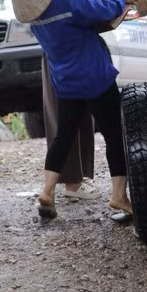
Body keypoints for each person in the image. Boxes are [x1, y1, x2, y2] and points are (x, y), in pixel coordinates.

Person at [9, 0, 139, 221]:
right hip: (96, 77)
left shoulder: (36, 19)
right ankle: (119, 196)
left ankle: (47, 191)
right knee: (115, 135)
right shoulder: (67, 1)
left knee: (63, 137)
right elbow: (102, 10)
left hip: (67, 84)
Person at [40, 55, 100, 201]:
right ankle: (72, 182)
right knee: (66, 120)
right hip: (62, 49)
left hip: (77, 50)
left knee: (82, 114)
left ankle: (79, 176)